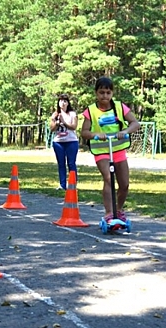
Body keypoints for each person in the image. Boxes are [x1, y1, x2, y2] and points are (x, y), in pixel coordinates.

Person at [80, 77, 141, 223]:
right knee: (108, 178)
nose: (104, 96)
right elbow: (84, 132)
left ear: (112, 93)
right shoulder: (91, 111)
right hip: (101, 150)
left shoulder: (119, 107)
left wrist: (125, 131)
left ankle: (118, 210)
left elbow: (135, 123)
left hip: (118, 148)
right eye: (101, 92)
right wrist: (96, 135)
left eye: (108, 92)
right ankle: (108, 213)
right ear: (96, 93)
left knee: (124, 184)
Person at [49, 93, 79, 190]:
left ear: (68, 103)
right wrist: (57, 122)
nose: (63, 103)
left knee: (71, 163)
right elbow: (52, 129)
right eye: (61, 101)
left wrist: (64, 122)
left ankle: (72, 184)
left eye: (65, 101)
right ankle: (62, 185)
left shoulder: (72, 114)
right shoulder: (55, 114)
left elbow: (74, 127)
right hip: (58, 142)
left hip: (71, 141)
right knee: (61, 164)